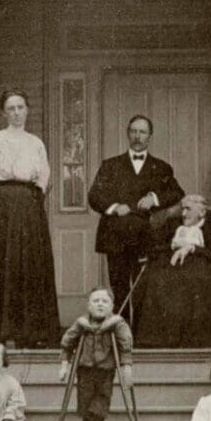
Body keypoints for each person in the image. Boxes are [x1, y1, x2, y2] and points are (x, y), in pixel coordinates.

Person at [0, 89, 59, 348]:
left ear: (27, 110)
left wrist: (33, 198)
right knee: (1, 263)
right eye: (11, 108)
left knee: (29, 263)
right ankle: (0, 330)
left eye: (20, 107)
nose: (16, 113)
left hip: (29, 204)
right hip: (0, 205)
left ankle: (31, 332)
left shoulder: (35, 143)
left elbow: (44, 175)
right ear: (4, 113)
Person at [88, 115, 185, 321]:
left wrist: (154, 198)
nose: (137, 136)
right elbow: (94, 196)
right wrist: (115, 207)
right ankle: (122, 331)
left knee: (143, 290)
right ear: (127, 134)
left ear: (150, 136)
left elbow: (177, 193)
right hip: (116, 237)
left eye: (142, 132)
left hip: (147, 237)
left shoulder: (162, 167)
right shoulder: (110, 165)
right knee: (120, 289)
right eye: (133, 131)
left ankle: (142, 334)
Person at [136, 194, 211, 348]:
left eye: (188, 209)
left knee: (196, 282)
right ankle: (162, 339)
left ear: (201, 212)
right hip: (172, 266)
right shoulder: (174, 226)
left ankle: (195, 339)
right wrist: (174, 246)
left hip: (202, 268)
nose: (184, 213)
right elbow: (157, 246)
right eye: (183, 209)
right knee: (156, 280)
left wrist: (193, 248)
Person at [59, 287, 135, 421]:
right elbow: (67, 343)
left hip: (105, 374)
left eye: (105, 301)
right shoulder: (81, 323)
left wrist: (127, 368)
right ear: (88, 305)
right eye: (96, 301)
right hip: (84, 373)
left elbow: (125, 346)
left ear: (112, 306)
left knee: (98, 410)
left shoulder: (118, 324)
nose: (100, 304)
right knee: (87, 411)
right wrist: (64, 365)